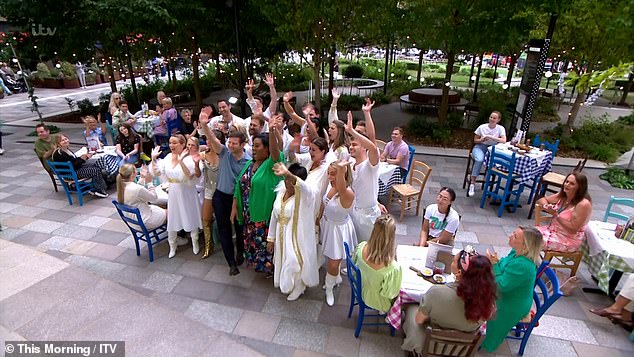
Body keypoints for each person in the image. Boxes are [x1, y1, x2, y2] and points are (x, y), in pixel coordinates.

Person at [402, 249, 497, 355]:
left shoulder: (436, 292)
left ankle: (412, 347)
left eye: (453, 261)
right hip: (460, 350)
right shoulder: (488, 302)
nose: (452, 261)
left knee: (411, 309)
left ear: (459, 272)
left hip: (433, 347)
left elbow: (419, 320)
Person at [200, 107, 249, 276]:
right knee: (224, 228)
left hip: (239, 199)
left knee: (239, 226)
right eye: (229, 142)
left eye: (234, 143)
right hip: (221, 196)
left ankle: (240, 253)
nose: (230, 145)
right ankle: (231, 263)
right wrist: (204, 125)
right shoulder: (224, 153)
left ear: (243, 145)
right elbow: (213, 139)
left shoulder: (248, 161)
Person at [233, 122, 283, 276]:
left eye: (257, 146)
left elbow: (276, 151)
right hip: (248, 213)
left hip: (264, 213)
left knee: (264, 242)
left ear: (267, 149)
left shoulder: (272, 164)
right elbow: (238, 186)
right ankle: (257, 264)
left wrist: (273, 131)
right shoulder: (249, 164)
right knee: (252, 240)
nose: (253, 149)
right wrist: (235, 207)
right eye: (253, 146)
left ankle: (269, 268)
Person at [482, 226, 543, 352]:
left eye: (515, 236)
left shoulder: (523, 265)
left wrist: (494, 265)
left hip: (511, 304)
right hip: (512, 294)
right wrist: (496, 263)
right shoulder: (515, 252)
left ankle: (486, 344)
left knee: (482, 299)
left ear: (525, 246)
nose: (510, 236)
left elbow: (501, 286)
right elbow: (504, 265)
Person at [269, 162, 320, 301]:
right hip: (281, 234)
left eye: (291, 181)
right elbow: (274, 215)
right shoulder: (280, 192)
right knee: (283, 258)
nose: (288, 184)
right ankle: (288, 284)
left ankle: (300, 286)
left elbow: (304, 188)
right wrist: (271, 238)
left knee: (294, 260)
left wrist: (288, 174)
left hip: (296, 236)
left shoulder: (306, 196)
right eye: (286, 180)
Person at [150, 134, 202, 259]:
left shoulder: (190, 158)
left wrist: (181, 161)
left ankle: (195, 241)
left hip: (187, 190)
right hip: (173, 191)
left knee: (191, 214)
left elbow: (190, 176)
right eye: (170, 143)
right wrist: (153, 159)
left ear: (182, 144)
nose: (171, 145)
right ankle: (172, 245)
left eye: (174, 143)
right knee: (173, 217)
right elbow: (157, 172)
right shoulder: (167, 157)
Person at [319, 161, 357, 306]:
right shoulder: (332, 186)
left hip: (339, 230)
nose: (329, 177)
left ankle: (329, 288)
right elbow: (325, 202)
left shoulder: (348, 193)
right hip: (328, 225)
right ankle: (335, 278)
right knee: (330, 258)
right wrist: (319, 217)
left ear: (343, 175)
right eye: (328, 173)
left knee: (334, 263)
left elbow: (341, 187)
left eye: (333, 174)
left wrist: (341, 170)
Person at [346, 105, 382, 242]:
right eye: (350, 144)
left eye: (354, 144)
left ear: (363, 147)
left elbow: (372, 145)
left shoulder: (370, 165)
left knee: (369, 249)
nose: (350, 147)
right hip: (354, 212)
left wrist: (366, 114)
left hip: (368, 218)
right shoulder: (350, 163)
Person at [352, 214, 402, 312]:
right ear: (392, 237)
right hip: (377, 301)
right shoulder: (393, 268)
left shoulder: (361, 247)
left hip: (359, 288)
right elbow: (390, 293)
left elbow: (354, 265)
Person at [536, 171, 592, 252]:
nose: (567, 185)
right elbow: (541, 200)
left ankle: (525, 263)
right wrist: (546, 206)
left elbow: (573, 229)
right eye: (566, 181)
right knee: (524, 235)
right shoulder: (563, 196)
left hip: (568, 240)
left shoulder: (583, 204)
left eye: (572, 184)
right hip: (552, 232)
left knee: (531, 242)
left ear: (580, 187)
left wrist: (556, 215)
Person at [48, 134, 108, 198]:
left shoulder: (65, 150)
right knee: (95, 170)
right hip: (70, 174)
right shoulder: (60, 153)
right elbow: (72, 165)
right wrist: (82, 159)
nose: (65, 141)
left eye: (66, 139)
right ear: (58, 143)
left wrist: (83, 157)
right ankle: (99, 190)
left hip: (73, 170)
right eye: (62, 140)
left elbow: (73, 162)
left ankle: (98, 185)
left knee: (95, 164)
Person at [467, 111, 506, 197]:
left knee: (495, 160)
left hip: (492, 149)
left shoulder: (500, 128)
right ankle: (472, 183)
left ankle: (487, 179)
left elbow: (504, 140)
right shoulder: (482, 127)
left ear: (498, 120)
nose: (492, 119)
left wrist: (491, 137)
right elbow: (475, 140)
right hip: (480, 146)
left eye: (494, 118)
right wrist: (481, 140)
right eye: (491, 117)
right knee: (479, 159)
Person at [116, 164, 165, 229]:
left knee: (160, 207)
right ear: (133, 174)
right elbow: (154, 199)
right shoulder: (136, 188)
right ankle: (174, 234)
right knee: (171, 211)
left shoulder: (122, 187)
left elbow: (136, 191)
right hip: (145, 220)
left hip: (133, 221)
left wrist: (142, 178)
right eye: (136, 170)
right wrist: (150, 183)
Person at [199, 130, 224, 259]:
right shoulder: (203, 155)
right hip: (209, 188)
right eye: (207, 139)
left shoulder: (224, 155)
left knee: (225, 219)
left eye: (210, 139)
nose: (207, 142)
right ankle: (208, 246)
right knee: (206, 218)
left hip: (222, 189)